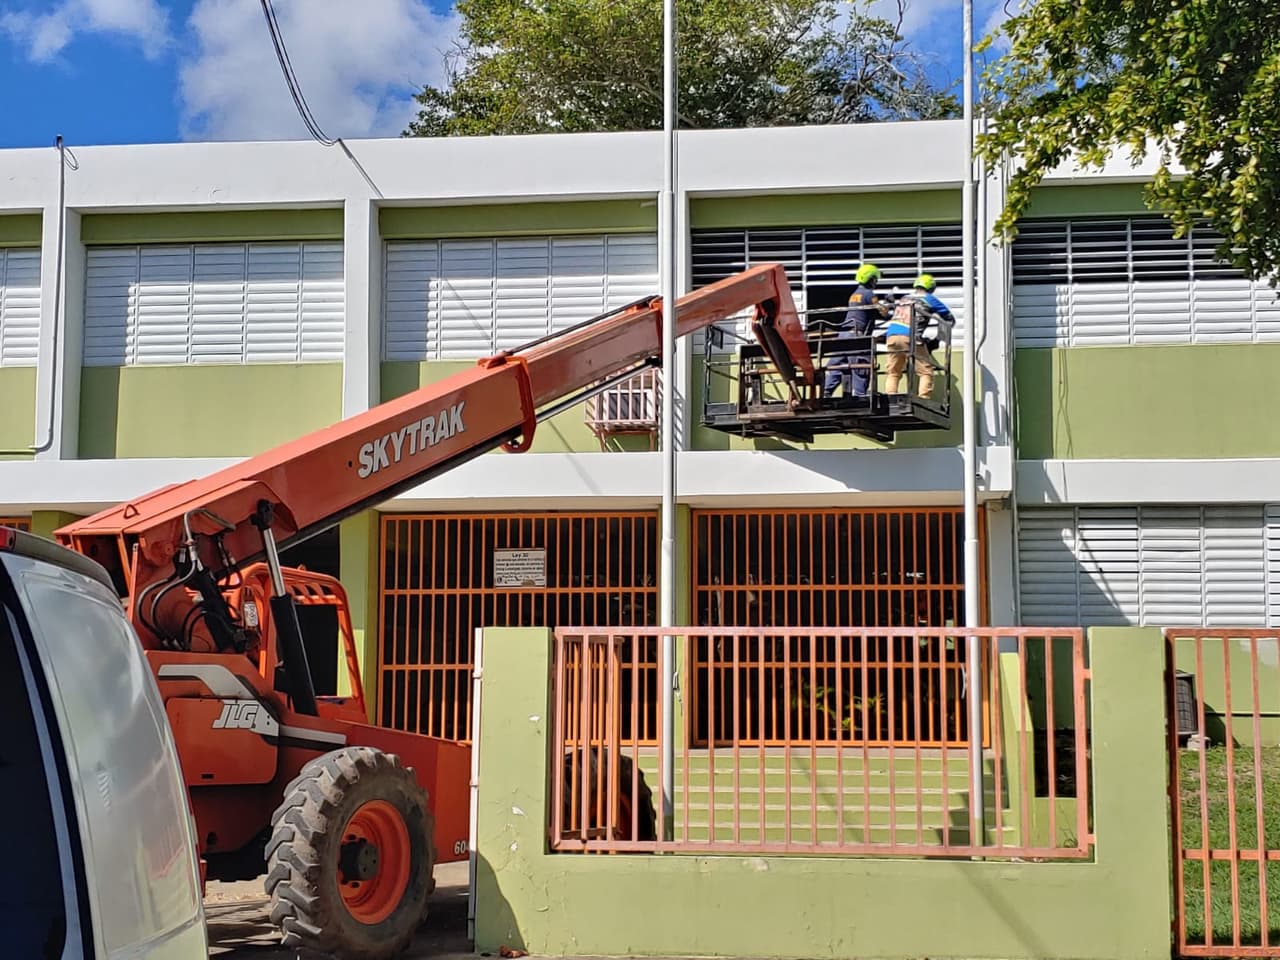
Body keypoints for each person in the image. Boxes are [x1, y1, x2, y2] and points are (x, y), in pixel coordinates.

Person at [822, 263, 889, 399]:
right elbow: (882, 312)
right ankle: (860, 397)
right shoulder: (869, 294)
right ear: (871, 279)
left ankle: (826, 392)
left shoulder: (855, 294)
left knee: (837, 365)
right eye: (875, 279)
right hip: (856, 336)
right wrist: (888, 305)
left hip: (843, 335)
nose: (876, 282)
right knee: (861, 366)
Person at [884, 273, 954, 399]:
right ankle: (924, 398)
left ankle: (890, 396)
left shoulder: (905, 298)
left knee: (894, 371)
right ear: (931, 288)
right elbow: (949, 319)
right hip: (910, 336)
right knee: (926, 371)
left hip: (892, 335)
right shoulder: (929, 299)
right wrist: (938, 338)